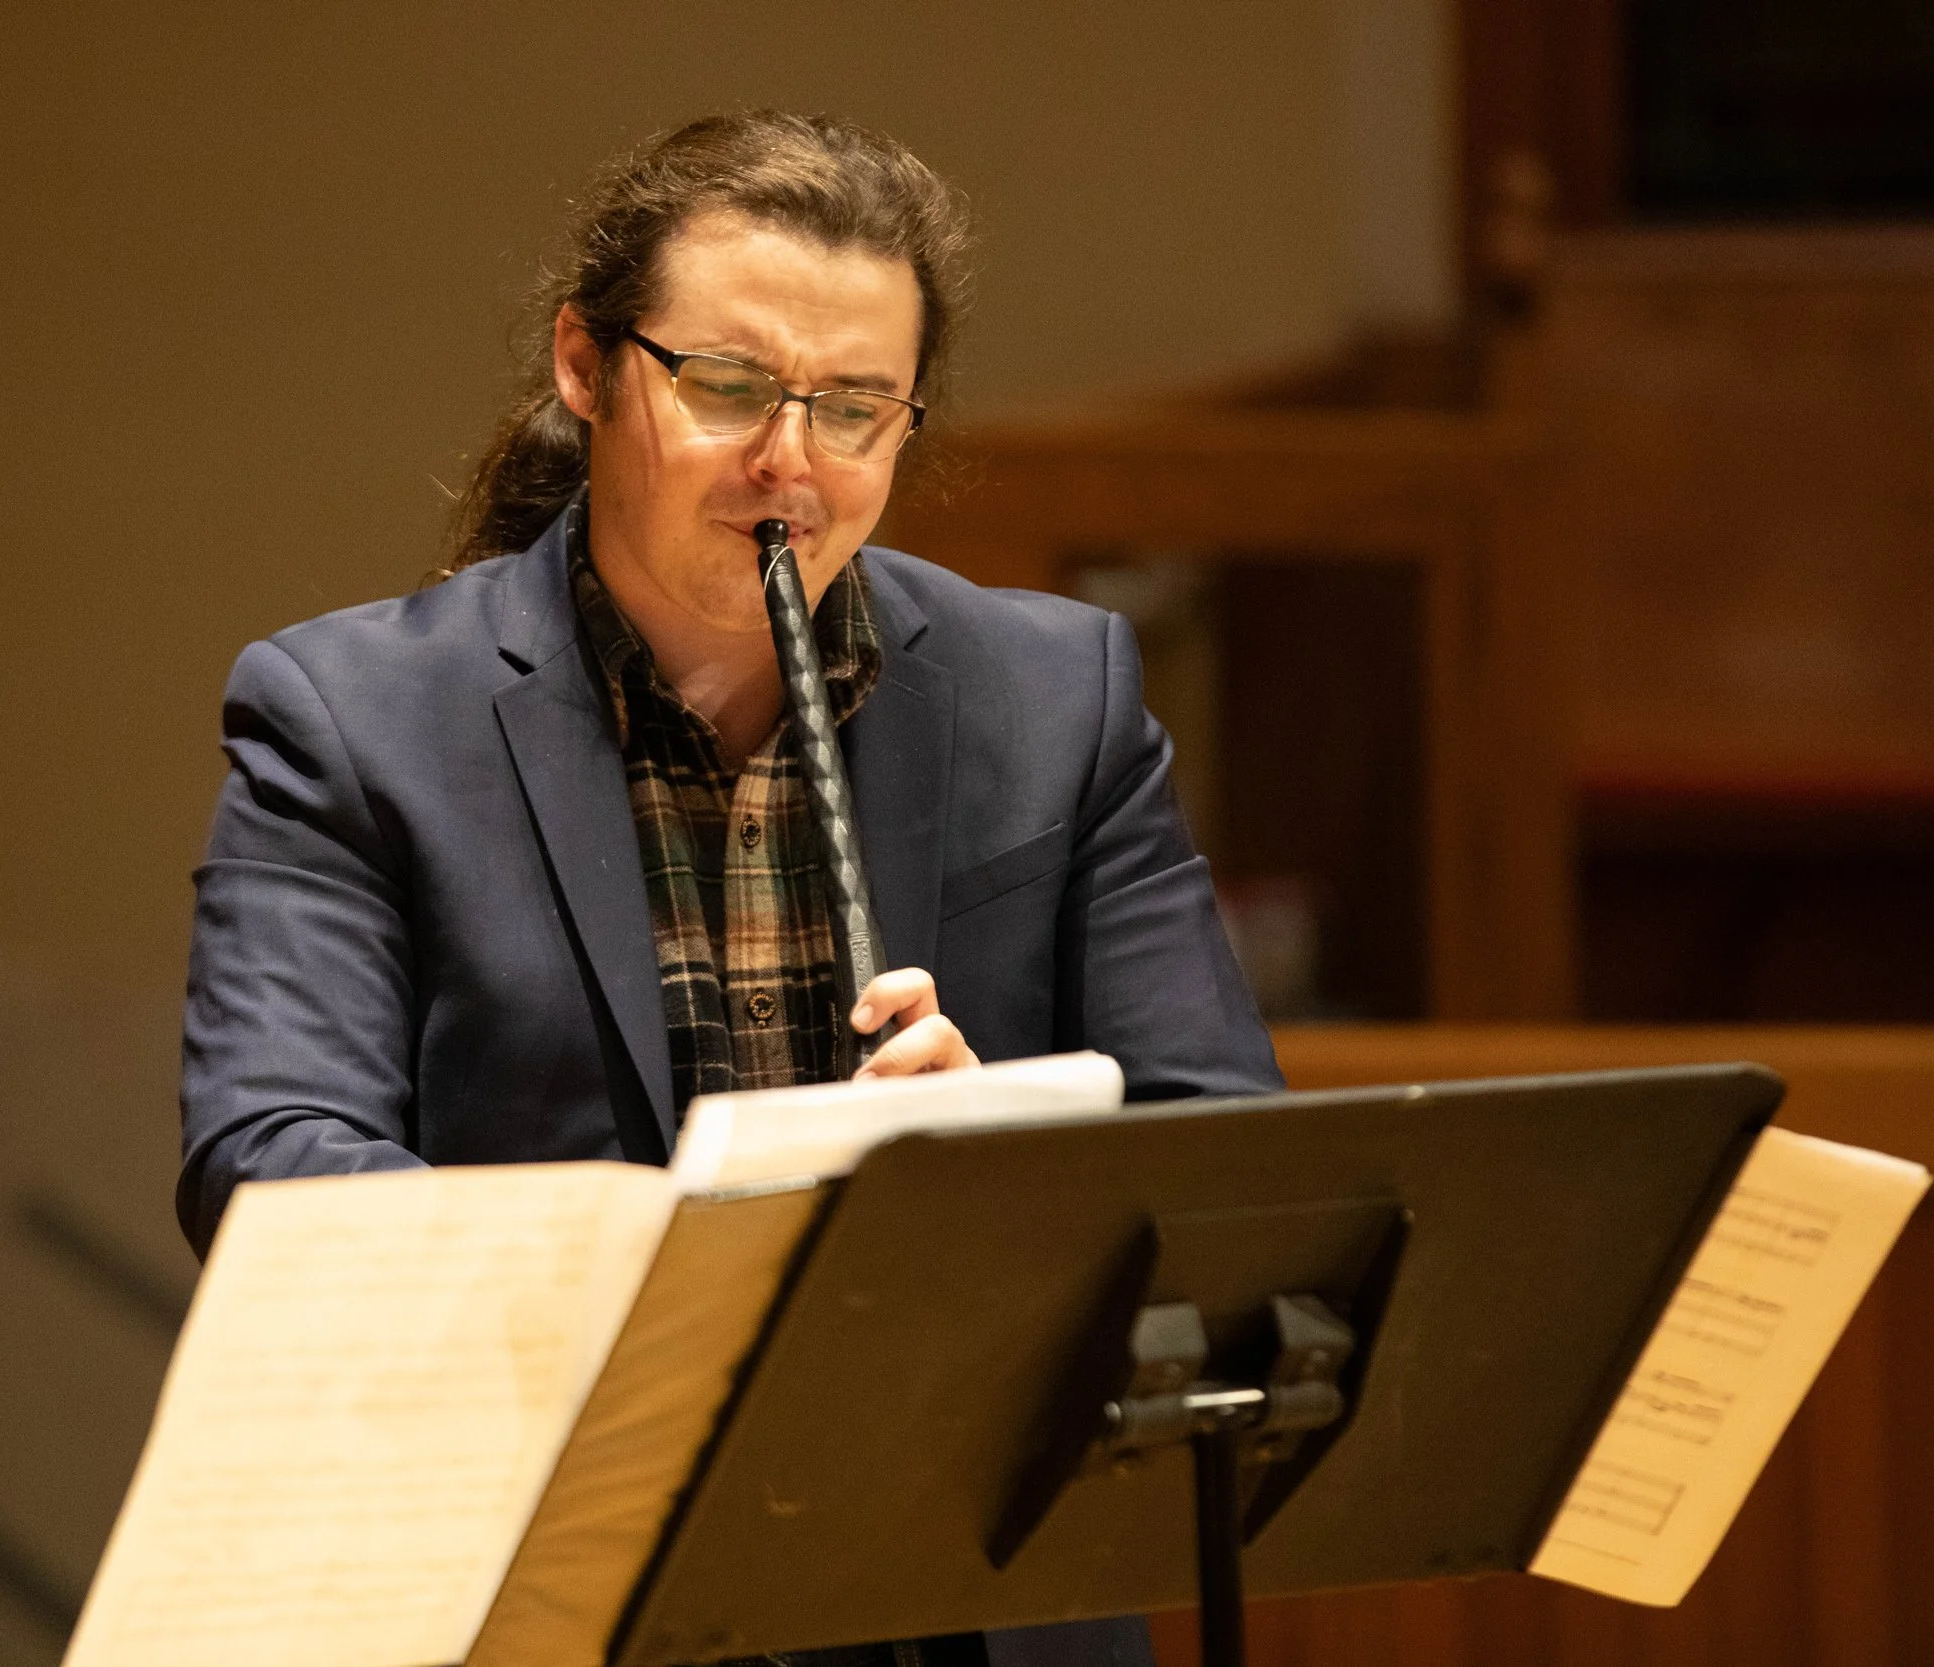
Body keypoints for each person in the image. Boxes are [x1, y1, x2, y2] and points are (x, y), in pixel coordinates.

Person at [178, 110, 1281, 1667]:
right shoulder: (350, 719)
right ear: (586, 364)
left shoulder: (1062, 695)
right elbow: (264, 1158)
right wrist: (659, 1283)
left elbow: (1230, 1160)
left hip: (955, 1590)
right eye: (730, 387)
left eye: (853, 411)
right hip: (550, 1580)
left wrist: (1016, 1153)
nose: (789, 464)